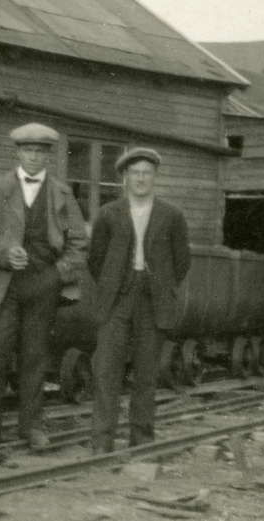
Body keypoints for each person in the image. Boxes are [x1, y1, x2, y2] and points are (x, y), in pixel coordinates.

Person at [0, 123, 88, 448]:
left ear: (48, 156)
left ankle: (32, 427)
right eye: (28, 151)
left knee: (35, 357)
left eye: (40, 152)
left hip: (44, 285)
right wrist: (4, 252)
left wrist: (59, 272)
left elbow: (78, 241)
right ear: (17, 153)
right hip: (2, 285)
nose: (33, 157)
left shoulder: (62, 195)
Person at [87, 147, 191, 454]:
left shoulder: (172, 215)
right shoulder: (109, 213)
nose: (141, 178)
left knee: (146, 373)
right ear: (125, 178)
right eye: (135, 173)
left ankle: (142, 441)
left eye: (147, 173)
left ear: (155, 177)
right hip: (117, 298)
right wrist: (113, 284)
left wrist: (161, 286)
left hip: (153, 299)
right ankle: (101, 442)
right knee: (107, 370)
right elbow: (96, 260)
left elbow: (181, 261)